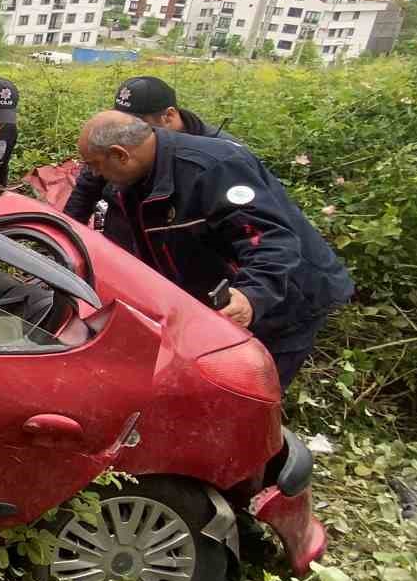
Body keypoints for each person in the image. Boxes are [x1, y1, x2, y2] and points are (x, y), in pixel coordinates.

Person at [77, 111, 353, 389]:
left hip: (283, 298)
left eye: (95, 165)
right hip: (217, 298)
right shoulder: (136, 177)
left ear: (120, 154)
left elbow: (270, 239)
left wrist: (252, 296)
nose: (94, 174)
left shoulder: (213, 168)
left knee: (246, 391)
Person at [64, 76, 239, 249]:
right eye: (121, 121)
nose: (126, 131)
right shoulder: (117, 143)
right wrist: (63, 240)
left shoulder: (219, 158)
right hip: (121, 242)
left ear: (168, 116)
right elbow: (86, 190)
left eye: (136, 123)